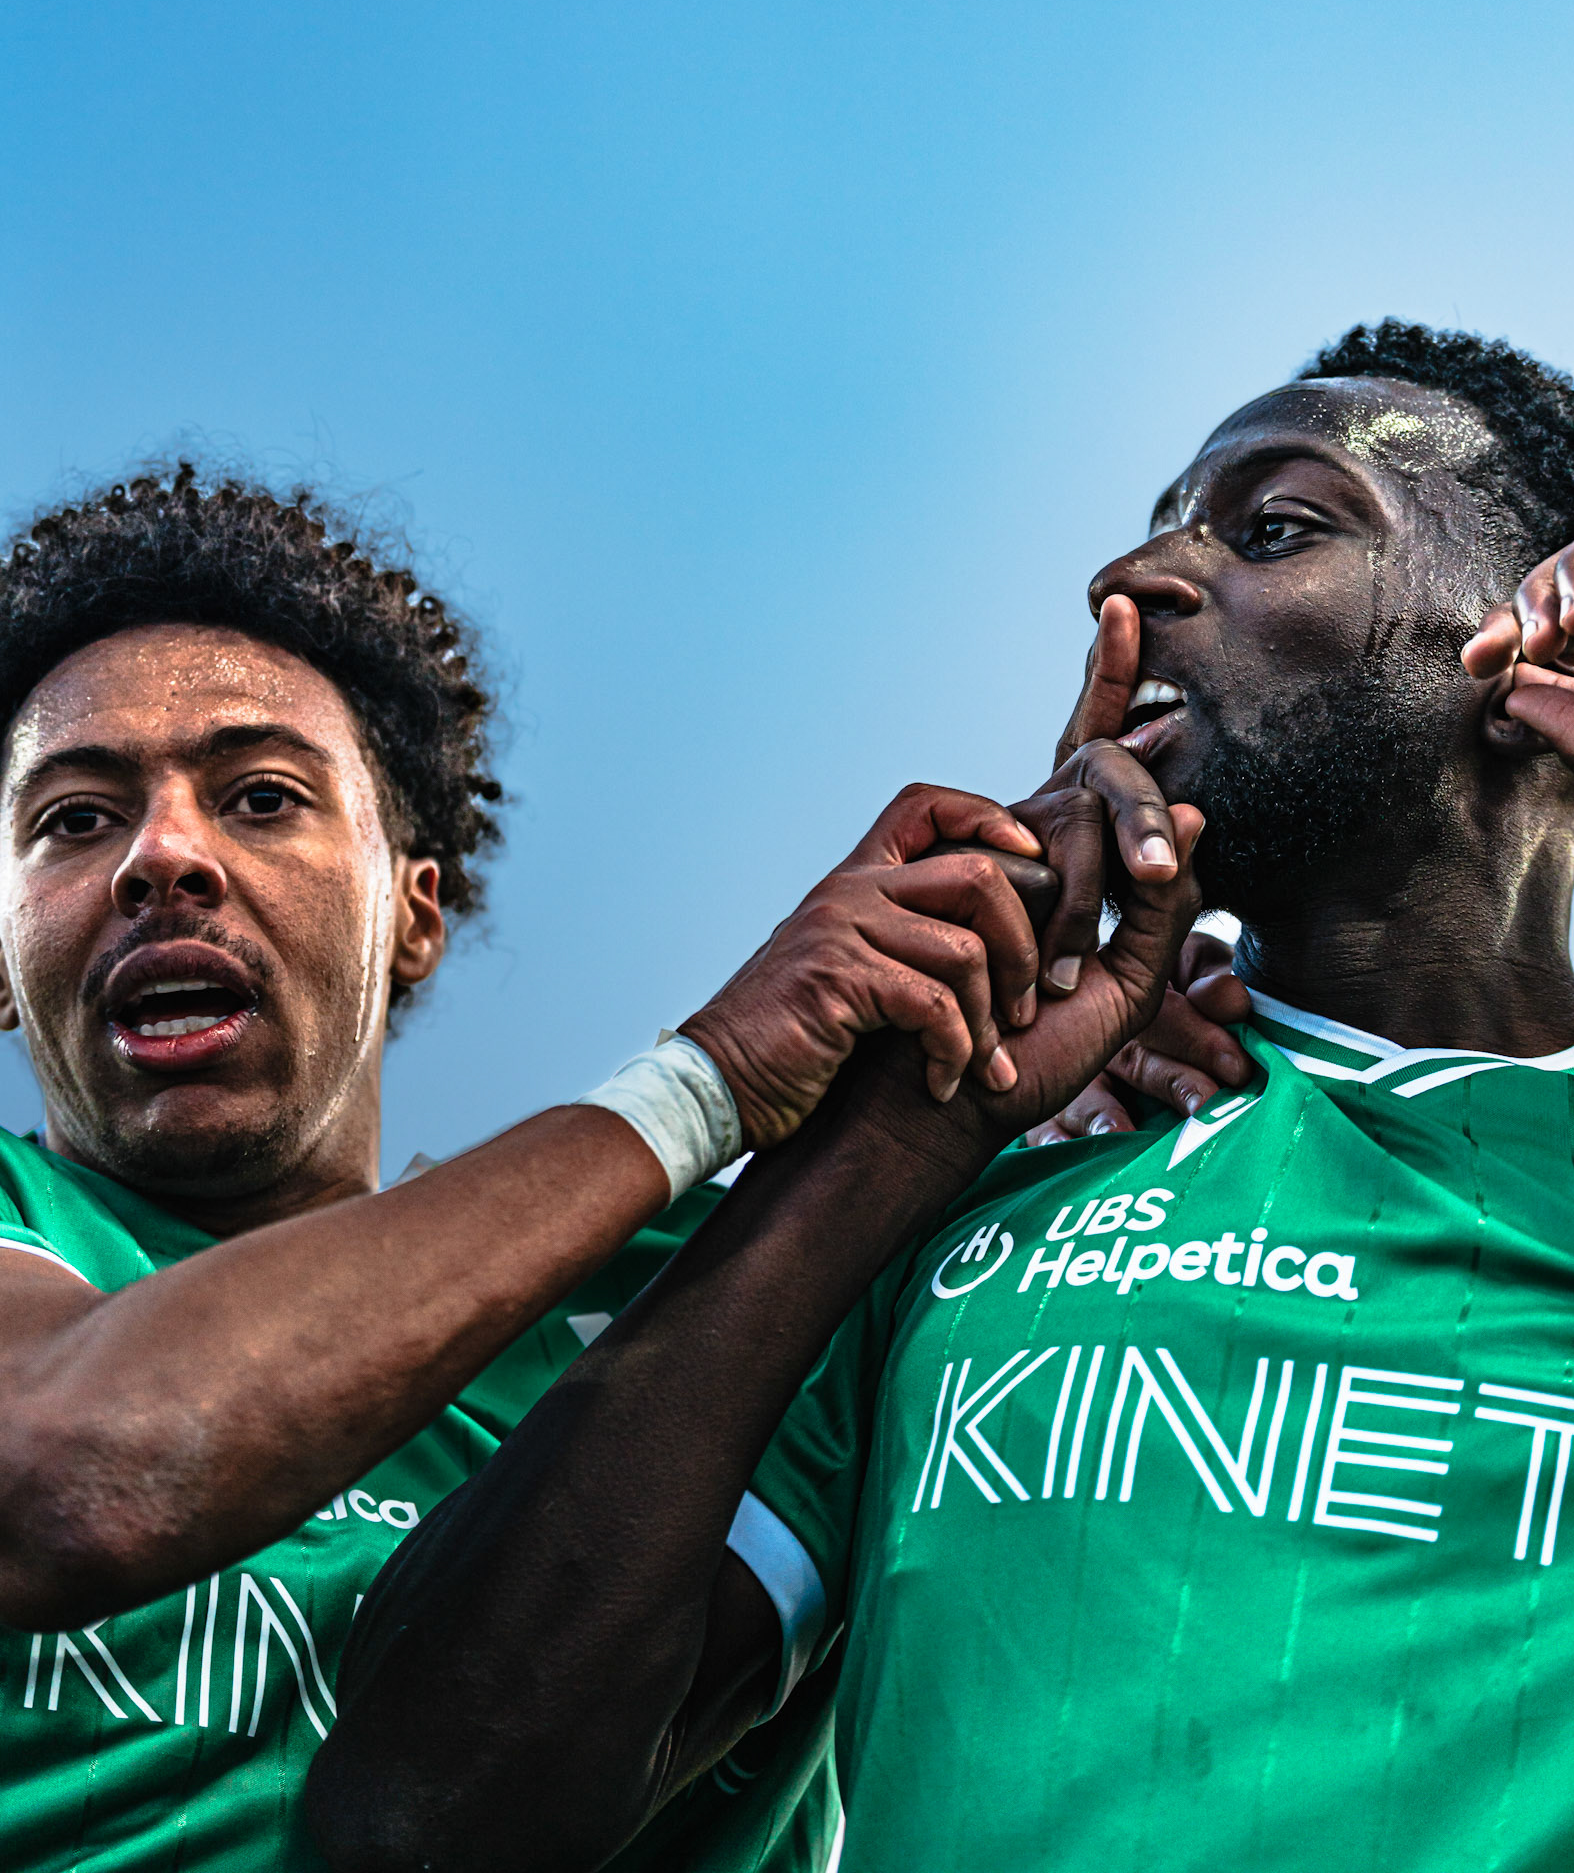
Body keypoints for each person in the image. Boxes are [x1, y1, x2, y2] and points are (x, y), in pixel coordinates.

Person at [311, 320, 1574, 1873]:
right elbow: (417, 1823)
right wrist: (880, 1150)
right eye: (1153, 526)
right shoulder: (972, 1189)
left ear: (1550, 626)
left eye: (1271, 526)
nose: (1131, 583)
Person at [0, 464, 1213, 1872]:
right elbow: (74, 1481)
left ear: (415, 914)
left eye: (262, 798)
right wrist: (712, 1077)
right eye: (74, 819)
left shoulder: (731, 1292)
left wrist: (1030, 1000)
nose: (164, 857)